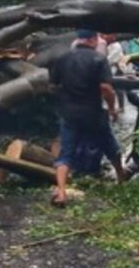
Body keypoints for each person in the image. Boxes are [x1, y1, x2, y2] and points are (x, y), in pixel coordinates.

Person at [50, 29, 127, 206]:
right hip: (93, 111)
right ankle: (121, 179)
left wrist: (65, 98)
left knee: (65, 153)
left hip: (69, 113)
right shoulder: (98, 59)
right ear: (92, 40)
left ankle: (61, 192)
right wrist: (113, 108)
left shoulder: (62, 58)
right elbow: (106, 88)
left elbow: (53, 86)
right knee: (109, 144)